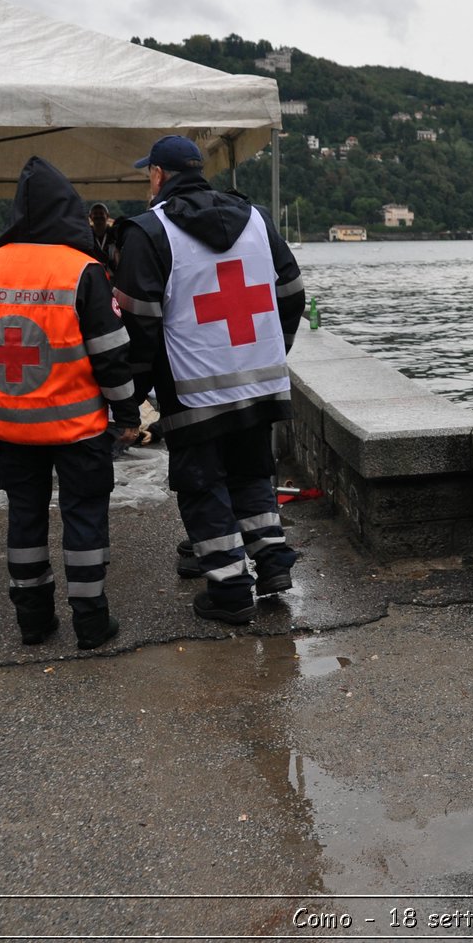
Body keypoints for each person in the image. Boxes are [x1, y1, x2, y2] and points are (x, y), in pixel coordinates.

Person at [113, 135, 304, 626]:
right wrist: (272, 347)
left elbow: (140, 323)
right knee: (250, 473)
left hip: (192, 388)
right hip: (258, 382)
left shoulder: (148, 231)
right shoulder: (258, 220)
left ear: (158, 175)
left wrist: (131, 396)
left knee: (202, 486)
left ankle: (230, 589)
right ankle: (273, 563)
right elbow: (293, 290)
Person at [0, 157, 140, 648]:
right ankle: (91, 624)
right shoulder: (81, 270)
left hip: (13, 428)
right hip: (77, 427)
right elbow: (110, 353)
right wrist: (126, 414)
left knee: (25, 518)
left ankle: (34, 623)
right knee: (83, 517)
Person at [87, 202, 121, 275]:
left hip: (112, 276)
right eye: (95, 213)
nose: (98, 216)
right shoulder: (87, 236)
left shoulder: (114, 235)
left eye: (101, 213)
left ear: (107, 216)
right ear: (90, 216)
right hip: (92, 274)